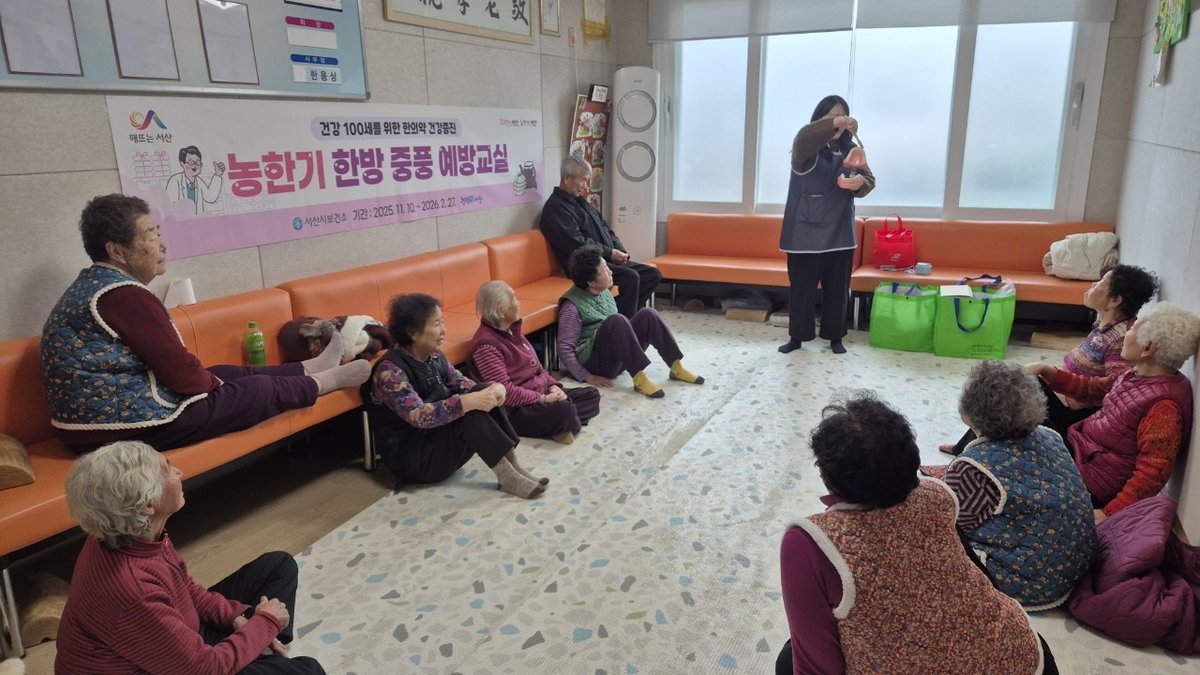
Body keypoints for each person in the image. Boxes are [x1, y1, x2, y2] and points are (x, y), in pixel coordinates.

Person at [40, 194, 370, 453]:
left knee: (223, 372)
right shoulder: (123, 295)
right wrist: (218, 388)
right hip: (120, 428)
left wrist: (216, 380)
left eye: (158, 233)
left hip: (90, 426)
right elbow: (180, 373)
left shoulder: (94, 285)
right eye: (150, 236)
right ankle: (328, 381)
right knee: (256, 389)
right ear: (117, 251)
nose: (162, 245)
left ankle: (312, 367)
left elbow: (179, 371)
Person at [777, 392, 1056, 675]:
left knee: (788, 660)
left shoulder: (810, 543)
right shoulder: (937, 495)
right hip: (1022, 655)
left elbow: (817, 668)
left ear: (828, 477)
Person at [55, 441, 324, 674]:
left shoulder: (123, 530)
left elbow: (183, 587)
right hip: (171, 666)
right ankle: (259, 651)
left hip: (177, 640)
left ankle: (262, 649)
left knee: (278, 565)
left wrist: (237, 618)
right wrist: (264, 622)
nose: (179, 472)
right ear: (148, 504)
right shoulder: (133, 589)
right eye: (167, 469)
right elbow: (205, 668)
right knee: (308, 670)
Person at [942, 263, 1158, 454]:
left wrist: (1049, 371)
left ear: (1114, 300)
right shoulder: (1104, 327)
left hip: (1076, 417)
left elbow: (1110, 391)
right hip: (1064, 400)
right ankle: (967, 448)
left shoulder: (1120, 338)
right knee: (1005, 383)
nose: (1093, 285)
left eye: (1100, 283)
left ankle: (970, 453)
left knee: (1008, 390)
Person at [941, 361, 1095, 609]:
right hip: (1074, 565)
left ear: (970, 409)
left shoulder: (974, 468)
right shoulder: (1050, 436)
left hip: (1028, 582)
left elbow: (946, 521)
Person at [1028, 301, 1199, 522]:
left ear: (1147, 349)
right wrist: (1047, 371)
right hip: (1082, 446)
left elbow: (1152, 473)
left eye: (1132, 330)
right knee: (1029, 387)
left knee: (1024, 423)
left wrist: (1108, 513)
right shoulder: (1137, 374)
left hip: (1090, 479)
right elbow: (1092, 389)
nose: (1125, 335)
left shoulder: (1164, 407)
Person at [365, 293, 547, 498]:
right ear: (412, 332)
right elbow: (419, 415)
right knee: (468, 411)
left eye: (442, 322)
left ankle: (513, 467)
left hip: (435, 442)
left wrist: (493, 388)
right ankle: (507, 476)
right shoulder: (390, 371)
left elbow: (462, 383)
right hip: (413, 459)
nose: (443, 330)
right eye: (436, 324)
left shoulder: (434, 355)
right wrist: (464, 402)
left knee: (482, 392)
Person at [777, 95, 876, 356]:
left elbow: (869, 179)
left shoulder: (850, 149)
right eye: (830, 116)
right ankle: (797, 337)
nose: (837, 122)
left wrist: (859, 184)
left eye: (841, 116)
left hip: (840, 232)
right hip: (803, 234)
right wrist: (836, 122)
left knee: (837, 291)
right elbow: (804, 138)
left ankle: (835, 337)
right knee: (802, 290)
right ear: (819, 120)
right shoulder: (805, 147)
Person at [557, 245, 703, 399]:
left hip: (617, 357)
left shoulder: (603, 292)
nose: (611, 272)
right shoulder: (571, 307)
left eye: (608, 267)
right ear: (591, 282)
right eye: (605, 271)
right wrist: (587, 376)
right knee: (617, 320)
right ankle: (639, 379)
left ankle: (676, 367)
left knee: (648, 314)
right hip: (597, 364)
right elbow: (564, 349)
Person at [466, 280, 601, 444]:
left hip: (540, 394)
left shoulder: (511, 330)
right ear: (501, 311)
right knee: (564, 410)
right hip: (516, 409)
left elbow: (539, 369)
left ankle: (563, 425)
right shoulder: (486, 346)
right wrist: (542, 399)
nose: (519, 302)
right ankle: (563, 421)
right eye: (514, 299)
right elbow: (505, 393)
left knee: (591, 395)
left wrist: (553, 387)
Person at [539, 155, 661, 319]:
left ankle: (619, 319)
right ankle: (620, 325)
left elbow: (605, 228)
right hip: (583, 267)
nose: (586, 186)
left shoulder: (580, 201)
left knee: (652, 275)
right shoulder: (556, 208)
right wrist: (610, 253)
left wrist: (620, 252)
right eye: (583, 180)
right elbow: (577, 243)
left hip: (604, 259)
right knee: (630, 277)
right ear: (567, 178)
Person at [166, 145, 226, 214]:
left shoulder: (198, 181)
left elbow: (210, 197)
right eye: (191, 162)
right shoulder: (175, 180)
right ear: (182, 163)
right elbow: (170, 205)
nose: (194, 166)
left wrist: (217, 175)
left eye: (197, 162)